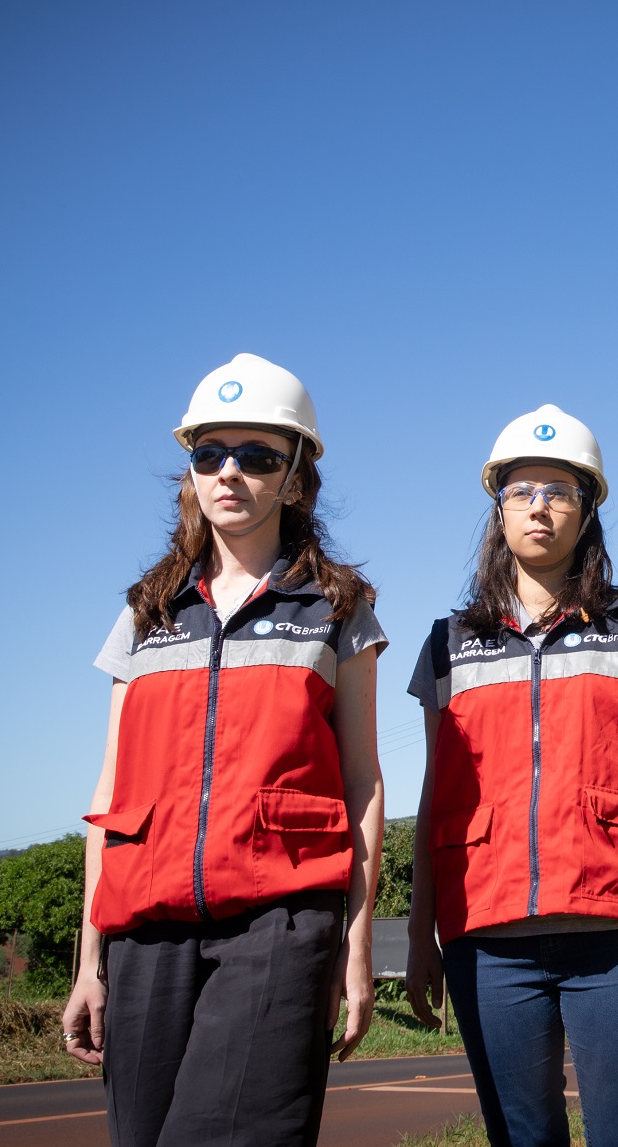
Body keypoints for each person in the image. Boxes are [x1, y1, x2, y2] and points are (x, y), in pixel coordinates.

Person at [62, 352, 387, 1147]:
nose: (229, 472)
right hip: (144, 931)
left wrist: (355, 939)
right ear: (192, 473)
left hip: (279, 924)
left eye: (257, 455)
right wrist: (88, 957)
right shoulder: (146, 613)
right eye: (210, 454)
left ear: (296, 476)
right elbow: (110, 788)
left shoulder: (337, 610)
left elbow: (362, 780)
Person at [403, 405, 618, 1147]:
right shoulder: (448, 645)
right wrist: (418, 935)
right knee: (522, 1137)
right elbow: (434, 792)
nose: (540, 505)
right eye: (521, 490)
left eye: (560, 489)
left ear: (588, 507)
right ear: (497, 508)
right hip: (487, 934)